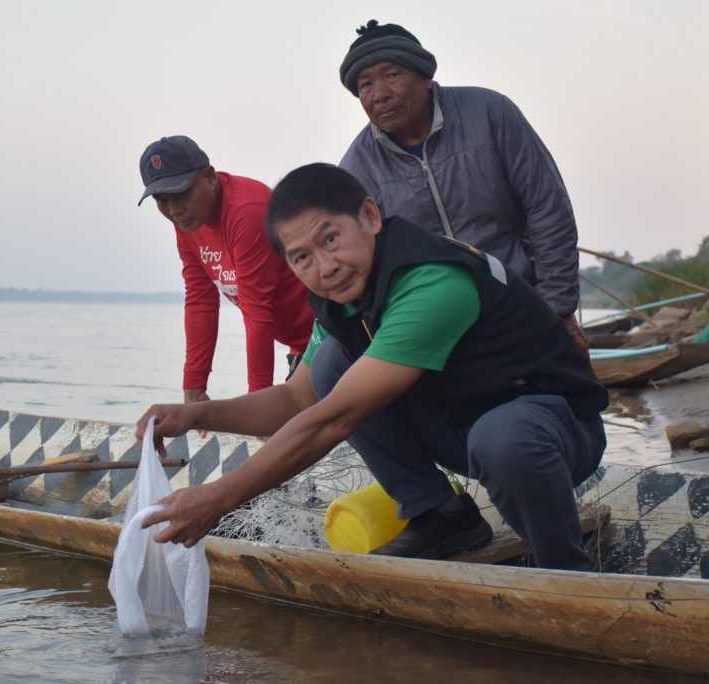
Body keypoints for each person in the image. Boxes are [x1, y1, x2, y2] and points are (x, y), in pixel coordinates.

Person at [138, 163, 608, 571]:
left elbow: (334, 419)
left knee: (503, 438)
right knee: (329, 366)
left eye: (331, 239)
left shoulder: (429, 282)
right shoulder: (340, 300)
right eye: (303, 257)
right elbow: (298, 400)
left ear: (369, 216)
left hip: (554, 433)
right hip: (467, 427)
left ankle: (564, 567)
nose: (326, 267)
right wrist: (196, 414)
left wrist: (220, 498)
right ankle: (442, 516)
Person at [337, 20, 588, 350]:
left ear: (425, 76)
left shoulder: (489, 112)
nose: (380, 94)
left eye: (392, 75)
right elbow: (365, 264)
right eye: (365, 84)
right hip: (435, 325)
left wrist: (557, 311)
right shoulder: (357, 167)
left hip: (520, 300)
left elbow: (547, 208)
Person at [138, 135, 314, 403]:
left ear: (209, 176)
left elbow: (257, 310)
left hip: (333, 332)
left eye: (181, 193)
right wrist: (194, 385)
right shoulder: (188, 221)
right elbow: (200, 299)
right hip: (301, 345)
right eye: (162, 200)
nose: (174, 210)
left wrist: (259, 400)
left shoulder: (247, 211)